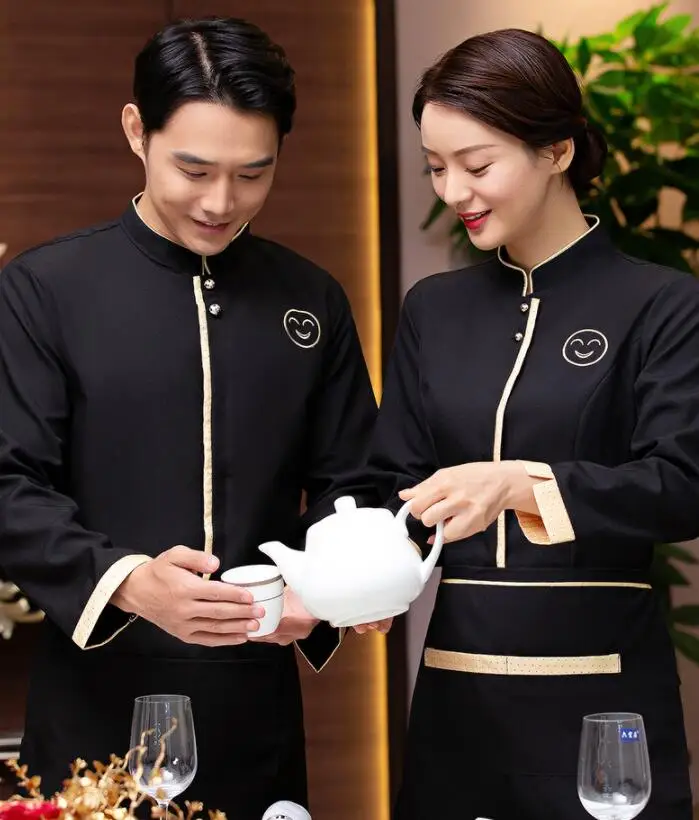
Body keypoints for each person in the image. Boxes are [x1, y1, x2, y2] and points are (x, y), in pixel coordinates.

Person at [0, 17, 377, 819]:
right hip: (91, 706)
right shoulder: (45, 290)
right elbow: (8, 483)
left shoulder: (310, 299)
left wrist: (330, 585)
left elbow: (356, 480)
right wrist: (130, 581)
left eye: (252, 174)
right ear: (136, 131)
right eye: (194, 170)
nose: (220, 202)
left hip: (254, 712)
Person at [367, 28, 699, 820]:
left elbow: (682, 484)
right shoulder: (432, 310)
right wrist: (363, 574)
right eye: (436, 167)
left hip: (605, 694)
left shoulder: (661, 304)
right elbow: (390, 484)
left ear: (556, 150)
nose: (453, 191)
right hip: (456, 692)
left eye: (476, 165)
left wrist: (522, 484)